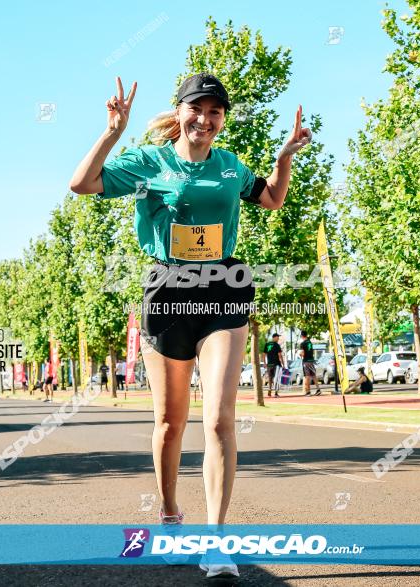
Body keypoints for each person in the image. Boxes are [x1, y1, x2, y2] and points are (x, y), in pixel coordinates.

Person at [69, 72, 311, 578]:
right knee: (168, 422)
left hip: (223, 286)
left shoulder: (229, 166)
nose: (205, 119)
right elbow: (83, 184)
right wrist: (113, 133)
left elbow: (270, 199)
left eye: (215, 112)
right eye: (196, 109)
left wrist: (284, 156)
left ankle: (216, 540)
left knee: (221, 418)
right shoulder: (147, 163)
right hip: (167, 289)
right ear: (180, 113)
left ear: (222, 119)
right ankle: (169, 513)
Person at [298, 330, 322, 396]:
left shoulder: (302, 343)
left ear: (301, 336)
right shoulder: (310, 342)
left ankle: (308, 391)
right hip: (311, 360)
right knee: (314, 375)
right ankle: (318, 389)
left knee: (307, 376)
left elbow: (303, 353)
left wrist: (300, 354)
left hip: (306, 361)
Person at [263, 333, 285, 398]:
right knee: (277, 378)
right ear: (274, 337)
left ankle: (269, 389)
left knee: (270, 378)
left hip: (269, 364)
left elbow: (264, 355)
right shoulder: (276, 345)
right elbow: (280, 355)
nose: (278, 339)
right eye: (278, 337)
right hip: (276, 364)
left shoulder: (267, 344)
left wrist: (264, 363)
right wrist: (283, 364)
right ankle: (276, 393)